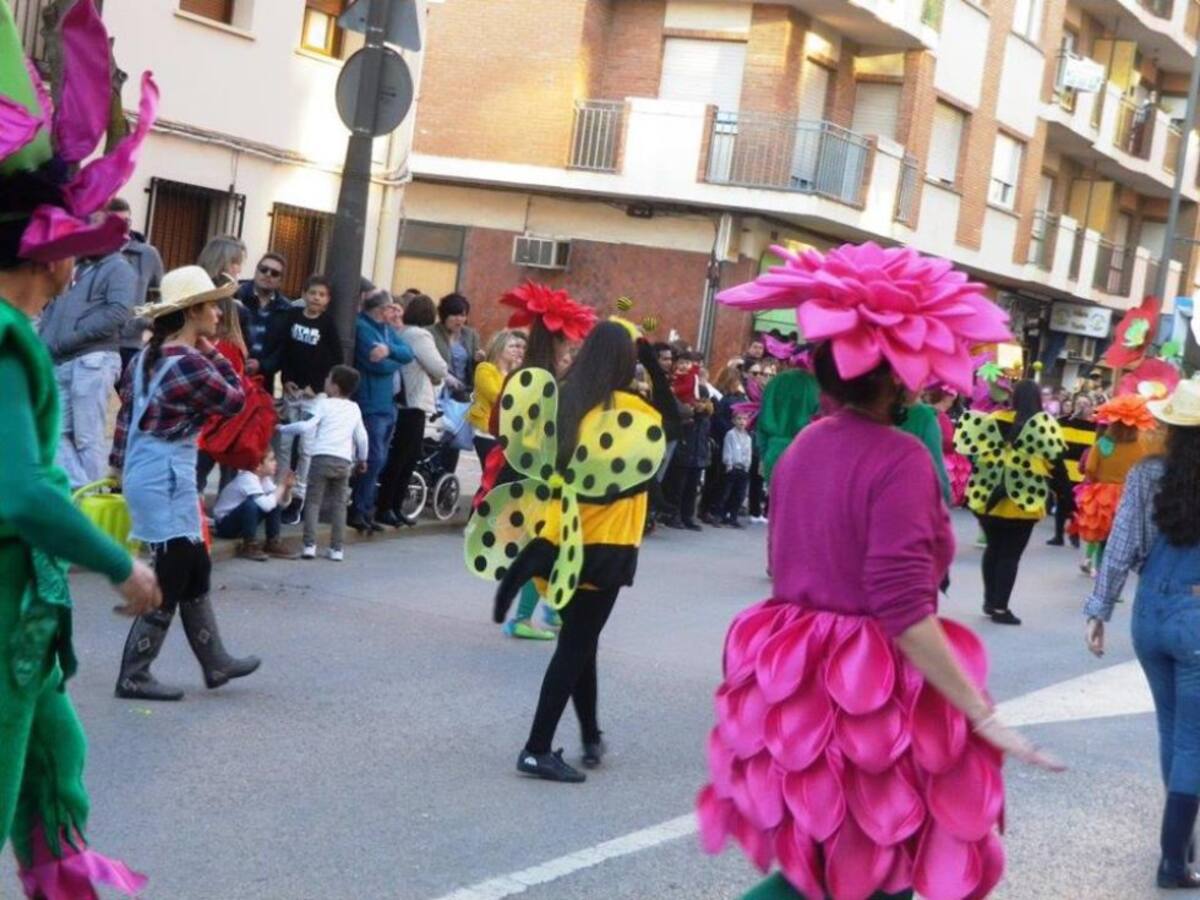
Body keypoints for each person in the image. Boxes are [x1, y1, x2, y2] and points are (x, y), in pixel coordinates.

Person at [701, 241, 1060, 899]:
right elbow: (902, 607)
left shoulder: (805, 445)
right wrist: (979, 714)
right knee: (872, 867)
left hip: (796, 671)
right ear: (897, 376)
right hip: (864, 682)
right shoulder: (901, 459)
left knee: (825, 862)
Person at [0, 7, 161, 890]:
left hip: (24, 625)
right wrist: (119, 564)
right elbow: (22, 491)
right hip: (2, 614)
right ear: (49, 250)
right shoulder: (6, 340)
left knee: (56, 763)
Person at [465, 322, 666, 782]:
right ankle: (536, 748)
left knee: (580, 643)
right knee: (575, 647)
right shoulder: (631, 411)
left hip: (558, 539)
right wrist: (650, 359)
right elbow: (668, 427)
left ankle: (590, 734)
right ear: (626, 360)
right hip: (606, 546)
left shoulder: (563, 401)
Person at [111, 266, 260, 702]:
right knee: (175, 568)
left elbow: (126, 418)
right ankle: (135, 673)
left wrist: (117, 467)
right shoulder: (191, 362)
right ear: (192, 312)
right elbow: (235, 400)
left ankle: (215, 661)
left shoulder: (147, 356)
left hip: (150, 469)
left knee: (194, 563)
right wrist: (215, 353)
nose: (218, 313)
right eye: (211, 306)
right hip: (165, 473)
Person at [1084, 378, 1200, 889]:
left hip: (1149, 612)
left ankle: (1182, 843)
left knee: (1172, 731)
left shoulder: (1147, 474)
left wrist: (1099, 610)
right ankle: (1174, 860)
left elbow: (1121, 545)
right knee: (1194, 741)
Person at [484, 282, 596, 641]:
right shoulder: (543, 381)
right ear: (555, 342)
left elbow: (497, 424)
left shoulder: (526, 376)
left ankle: (552, 607)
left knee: (550, 543)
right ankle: (524, 617)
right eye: (567, 343)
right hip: (539, 474)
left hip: (528, 470)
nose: (570, 349)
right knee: (544, 545)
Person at [956, 380, 1066, 625]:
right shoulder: (1042, 426)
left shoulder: (994, 419)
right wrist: (1066, 498)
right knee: (1009, 556)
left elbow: (975, 453)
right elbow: (1056, 465)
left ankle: (989, 601)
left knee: (993, 549)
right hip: (1023, 502)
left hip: (988, 499)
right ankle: (1001, 608)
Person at [36, 246, 137, 489]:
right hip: (62, 359)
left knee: (86, 436)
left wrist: (70, 337)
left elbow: (119, 312)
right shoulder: (77, 266)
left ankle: (91, 497)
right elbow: (52, 308)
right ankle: (85, 490)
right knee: (55, 432)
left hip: (93, 359)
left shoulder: (119, 267)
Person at [263, 274, 343, 524]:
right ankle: (280, 491)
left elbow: (335, 359)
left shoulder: (328, 325)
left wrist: (316, 386)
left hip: (313, 396)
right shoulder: (293, 317)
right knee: (284, 445)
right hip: (291, 391)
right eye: (313, 293)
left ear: (327, 300)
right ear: (304, 294)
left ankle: (299, 496)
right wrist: (286, 379)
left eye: (322, 294)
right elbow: (286, 351)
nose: (316, 298)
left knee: (306, 447)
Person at [277, 365, 368, 561]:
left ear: (335, 386)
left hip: (320, 458)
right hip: (344, 461)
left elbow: (306, 426)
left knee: (313, 502)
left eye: (328, 378)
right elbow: (362, 437)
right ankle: (337, 549)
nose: (325, 380)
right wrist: (363, 458)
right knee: (339, 505)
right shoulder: (354, 408)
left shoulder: (323, 404)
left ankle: (309, 545)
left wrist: (282, 429)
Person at [351, 290, 413, 531]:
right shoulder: (363, 327)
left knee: (381, 458)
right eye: (390, 308)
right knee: (373, 458)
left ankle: (366, 509)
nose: (394, 312)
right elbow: (375, 365)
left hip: (387, 403)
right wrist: (394, 358)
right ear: (380, 309)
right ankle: (358, 509)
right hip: (371, 402)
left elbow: (408, 353)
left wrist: (389, 352)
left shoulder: (386, 330)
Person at [1072, 394, 1156, 575]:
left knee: (1100, 534)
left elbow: (1090, 468)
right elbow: (1144, 470)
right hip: (1128, 494)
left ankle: (1096, 566)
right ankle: (1106, 570)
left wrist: (1096, 480)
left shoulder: (1103, 443)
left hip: (1102, 494)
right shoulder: (1140, 446)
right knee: (1118, 537)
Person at [110, 197, 164, 377]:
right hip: (96, 345)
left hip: (132, 345)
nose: (122, 227)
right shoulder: (94, 252)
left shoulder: (148, 254)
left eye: (126, 221)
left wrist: (148, 326)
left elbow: (161, 297)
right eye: (116, 222)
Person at [212, 449, 294, 560]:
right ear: (258, 466)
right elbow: (266, 506)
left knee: (273, 500)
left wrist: (287, 488)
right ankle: (249, 546)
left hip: (241, 523)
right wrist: (282, 486)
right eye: (271, 460)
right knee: (251, 504)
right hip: (225, 526)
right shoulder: (247, 478)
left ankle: (272, 542)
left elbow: (282, 504)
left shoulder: (264, 479)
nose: (275, 463)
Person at [234, 252, 295, 391]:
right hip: (231, 372)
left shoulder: (286, 309)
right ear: (256, 271)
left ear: (280, 280)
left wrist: (261, 365)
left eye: (274, 273)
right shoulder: (236, 295)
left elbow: (284, 349)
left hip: (263, 382)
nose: (268, 275)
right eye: (263, 269)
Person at [468, 328, 525, 467]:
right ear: (499, 348)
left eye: (517, 347)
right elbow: (496, 397)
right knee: (492, 474)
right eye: (511, 346)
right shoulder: (485, 369)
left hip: (508, 434)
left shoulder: (514, 373)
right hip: (487, 432)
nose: (516, 350)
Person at [430, 292, 481, 400]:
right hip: (438, 391)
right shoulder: (431, 333)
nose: (459, 319)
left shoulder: (470, 334)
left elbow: (475, 368)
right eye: (454, 315)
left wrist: (478, 360)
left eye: (462, 315)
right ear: (444, 315)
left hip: (464, 392)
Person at [720, 410, 752, 527]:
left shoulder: (748, 437)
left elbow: (748, 453)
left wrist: (747, 465)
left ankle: (733, 517)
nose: (742, 421)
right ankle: (721, 515)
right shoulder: (730, 434)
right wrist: (728, 463)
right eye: (739, 419)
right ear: (733, 421)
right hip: (732, 467)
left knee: (739, 495)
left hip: (743, 468)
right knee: (726, 493)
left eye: (744, 419)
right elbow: (728, 449)